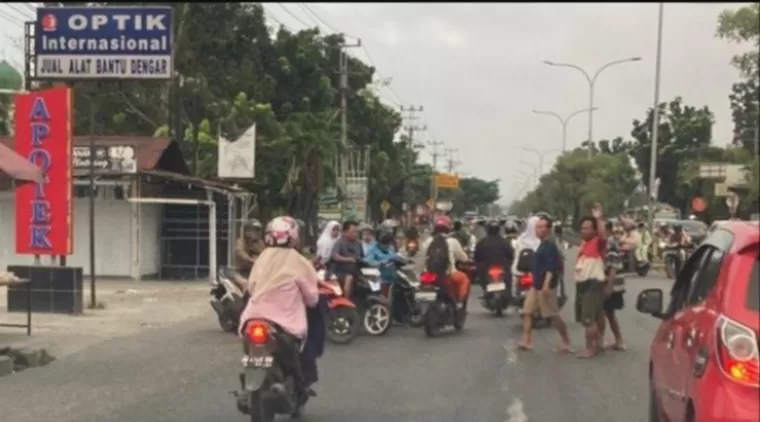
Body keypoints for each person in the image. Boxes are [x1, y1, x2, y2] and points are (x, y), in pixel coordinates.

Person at [238, 216, 320, 396]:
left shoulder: (262, 258)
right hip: (285, 324)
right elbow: (313, 299)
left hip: (252, 319)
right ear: (294, 237)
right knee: (303, 345)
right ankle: (300, 382)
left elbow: (251, 287)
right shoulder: (299, 262)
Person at [517, 214, 572, 352]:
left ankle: (566, 341)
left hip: (545, 286)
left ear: (549, 229)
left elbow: (550, 267)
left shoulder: (549, 245)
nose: (539, 230)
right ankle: (526, 341)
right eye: (537, 227)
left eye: (542, 227)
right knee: (527, 312)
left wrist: (546, 285)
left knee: (552, 315)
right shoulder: (542, 243)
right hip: (536, 285)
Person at [574, 204, 608, 358]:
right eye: (582, 228)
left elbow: (603, 235)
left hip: (592, 284)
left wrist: (598, 218)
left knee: (589, 320)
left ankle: (590, 348)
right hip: (582, 284)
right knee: (597, 315)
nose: (583, 231)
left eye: (587, 228)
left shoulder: (597, 242)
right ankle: (599, 342)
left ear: (594, 230)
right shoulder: (584, 244)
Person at [423, 216, 471, 308]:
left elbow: (423, 256)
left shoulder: (428, 241)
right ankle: (459, 303)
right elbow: (464, 258)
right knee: (464, 279)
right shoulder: (453, 241)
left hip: (428, 274)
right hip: (448, 274)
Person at [599, 220, 626, 351]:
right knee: (608, 313)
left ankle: (601, 340)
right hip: (608, 282)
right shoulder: (604, 242)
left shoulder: (610, 243)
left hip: (611, 284)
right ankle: (618, 340)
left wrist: (608, 287)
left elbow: (613, 268)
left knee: (603, 312)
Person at [473, 219, 514, 294]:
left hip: (488, 270)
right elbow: (511, 255)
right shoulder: (504, 242)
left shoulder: (482, 242)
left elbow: (476, 257)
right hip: (500, 270)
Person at [330, 221, 364, 299]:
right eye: (353, 232)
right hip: (341, 272)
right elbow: (335, 256)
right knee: (349, 277)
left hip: (356, 271)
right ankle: (346, 300)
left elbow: (362, 257)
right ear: (345, 232)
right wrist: (347, 259)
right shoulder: (340, 242)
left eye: (357, 232)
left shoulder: (359, 243)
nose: (356, 234)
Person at [364, 225, 399, 297]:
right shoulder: (373, 248)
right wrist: (380, 263)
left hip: (393, 277)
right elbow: (368, 261)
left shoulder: (390, 247)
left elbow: (395, 256)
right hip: (381, 278)